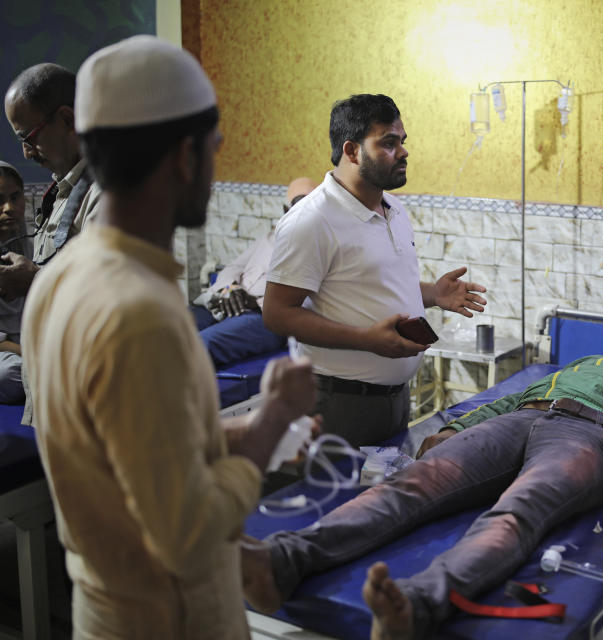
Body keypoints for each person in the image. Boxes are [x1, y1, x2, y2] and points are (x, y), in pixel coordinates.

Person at [21, 36, 318, 639]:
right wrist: (269, 422)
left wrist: (235, 434)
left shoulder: (58, 280)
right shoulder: (141, 314)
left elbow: (124, 448)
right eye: (214, 148)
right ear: (184, 156)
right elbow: (185, 536)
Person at [242, 350, 603, 639]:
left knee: (517, 511)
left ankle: (415, 604)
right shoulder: (583, 363)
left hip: (592, 434)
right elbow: (513, 398)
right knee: (415, 481)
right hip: (525, 416)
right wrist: (456, 428)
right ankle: (284, 560)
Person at [263, 94, 487, 446]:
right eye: (388, 142)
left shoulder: (393, 208)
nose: (403, 151)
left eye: (402, 141)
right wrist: (366, 341)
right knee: (343, 501)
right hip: (337, 402)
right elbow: (277, 314)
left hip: (394, 398)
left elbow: (375, 284)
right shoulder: (311, 222)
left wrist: (432, 294)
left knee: (385, 495)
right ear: (352, 151)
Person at [190, 177, 318, 366]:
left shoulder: (318, 251)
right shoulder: (270, 238)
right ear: (286, 211)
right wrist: (230, 288)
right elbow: (233, 268)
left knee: (199, 345)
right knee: (167, 327)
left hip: (263, 317)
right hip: (224, 301)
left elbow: (308, 304)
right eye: (295, 210)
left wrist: (255, 302)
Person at [3, 62, 102, 292]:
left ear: (67, 120)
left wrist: (35, 281)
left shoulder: (110, 191)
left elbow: (108, 289)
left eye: (28, 139)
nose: (26, 154)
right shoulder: (64, 189)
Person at [0, 161, 28, 402]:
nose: (8, 208)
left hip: (35, 342)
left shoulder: (36, 241)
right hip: (6, 351)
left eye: (15, 197)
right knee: (9, 374)